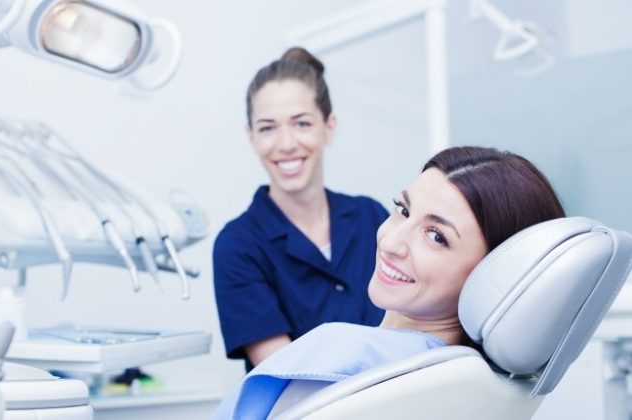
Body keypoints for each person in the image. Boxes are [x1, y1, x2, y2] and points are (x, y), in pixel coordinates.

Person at [212, 146, 566, 419]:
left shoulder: (334, 356)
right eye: (403, 210)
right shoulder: (484, 381)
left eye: (436, 236)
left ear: (494, 273)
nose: (391, 241)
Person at [213, 47, 390, 371]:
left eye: (301, 124)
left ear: (329, 126)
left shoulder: (372, 218)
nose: (286, 144)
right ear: (250, 136)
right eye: (268, 128)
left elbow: (418, 321)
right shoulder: (238, 245)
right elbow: (288, 375)